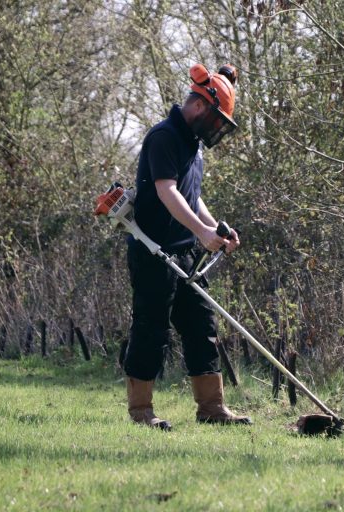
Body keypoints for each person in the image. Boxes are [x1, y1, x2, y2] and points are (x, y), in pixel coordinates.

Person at [123, 63, 252, 430]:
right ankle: (141, 412)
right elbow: (167, 192)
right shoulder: (163, 137)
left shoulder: (193, 145)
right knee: (152, 329)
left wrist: (216, 231)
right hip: (153, 250)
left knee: (201, 326)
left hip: (185, 253)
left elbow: (192, 198)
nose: (216, 128)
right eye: (216, 120)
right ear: (199, 106)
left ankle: (212, 408)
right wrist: (201, 232)